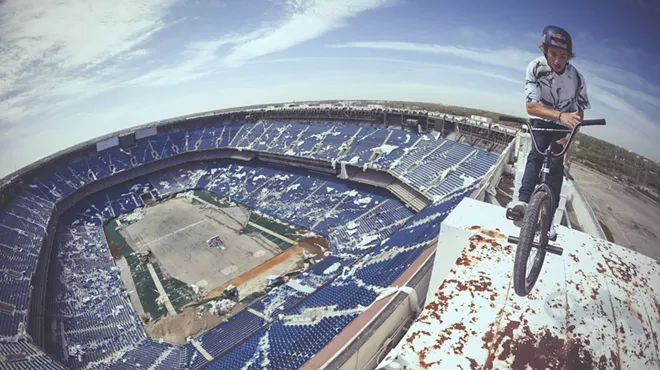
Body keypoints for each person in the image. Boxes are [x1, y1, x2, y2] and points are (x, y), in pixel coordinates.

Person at [511, 25, 591, 239]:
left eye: (563, 56)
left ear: (569, 57)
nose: (557, 60)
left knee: (556, 168)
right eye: (553, 54)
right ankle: (523, 202)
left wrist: (569, 139)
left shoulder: (577, 79)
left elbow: (579, 114)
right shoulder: (535, 68)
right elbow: (531, 107)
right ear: (545, 51)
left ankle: (548, 222)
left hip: (564, 125)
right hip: (542, 118)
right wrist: (559, 115)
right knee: (535, 155)